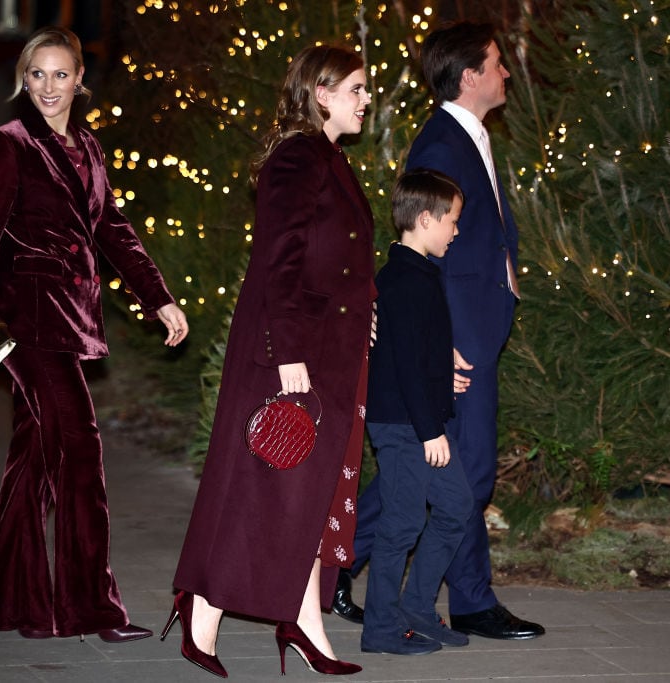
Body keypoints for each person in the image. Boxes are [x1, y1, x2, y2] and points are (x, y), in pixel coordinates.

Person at [0, 26, 188, 642]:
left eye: (60, 75)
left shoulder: (89, 147)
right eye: (36, 75)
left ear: (80, 80)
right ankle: (91, 609)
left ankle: (20, 604)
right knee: (80, 453)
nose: (48, 87)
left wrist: (158, 298)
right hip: (25, 324)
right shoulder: (6, 145)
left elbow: (113, 230)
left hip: (72, 317)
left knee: (35, 458)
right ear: (22, 81)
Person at [165, 44, 375, 678]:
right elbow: (278, 260)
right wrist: (288, 352)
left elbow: (339, 257)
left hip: (329, 348)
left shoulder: (330, 157)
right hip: (292, 350)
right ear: (322, 93)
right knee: (266, 485)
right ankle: (203, 607)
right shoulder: (297, 157)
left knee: (304, 491)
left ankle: (304, 617)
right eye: (357, 90)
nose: (367, 101)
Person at [336, 21, 545, 641]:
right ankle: (471, 602)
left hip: (473, 331)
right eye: (498, 63)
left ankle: (335, 560)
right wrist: (443, 341)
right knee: (465, 471)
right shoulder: (440, 144)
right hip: (457, 341)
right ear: (470, 74)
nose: (506, 72)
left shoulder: (469, 137)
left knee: (439, 473)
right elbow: (427, 249)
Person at [360, 169, 475, 656]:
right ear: (425, 219)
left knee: (455, 508)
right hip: (406, 425)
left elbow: (408, 352)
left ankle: (417, 608)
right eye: (451, 220)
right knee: (402, 523)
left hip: (420, 418)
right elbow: (402, 363)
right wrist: (430, 431)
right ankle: (380, 628)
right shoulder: (405, 280)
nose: (455, 230)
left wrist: (439, 374)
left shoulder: (420, 274)